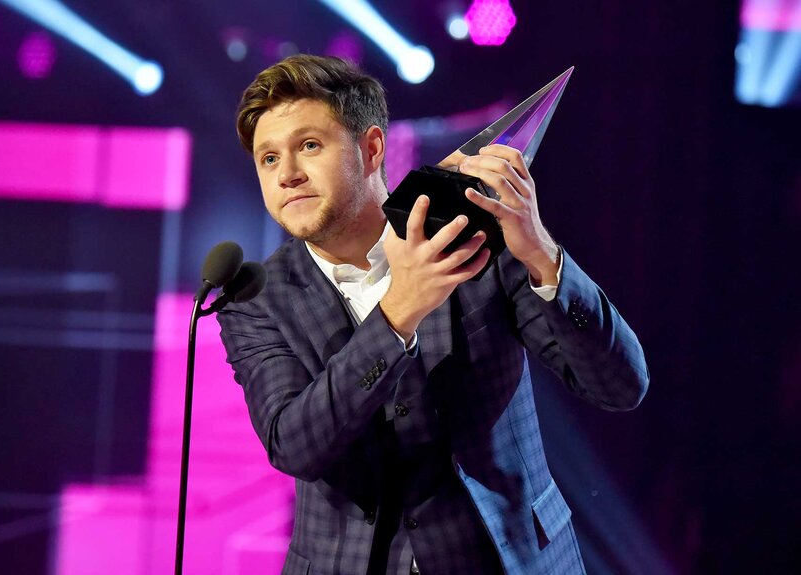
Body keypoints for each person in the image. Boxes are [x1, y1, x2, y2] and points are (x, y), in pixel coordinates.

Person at [218, 54, 648, 575]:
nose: (287, 174)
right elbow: (295, 445)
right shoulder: (257, 299)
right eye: (268, 159)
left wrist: (540, 253)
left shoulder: (473, 238)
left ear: (371, 148)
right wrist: (400, 311)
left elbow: (620, 387)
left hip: (505, 558)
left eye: (309, 146)